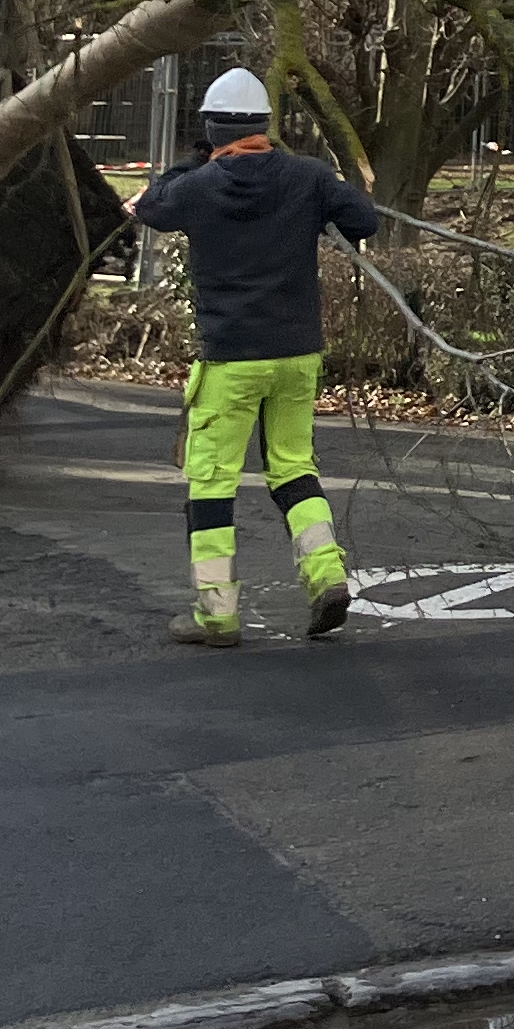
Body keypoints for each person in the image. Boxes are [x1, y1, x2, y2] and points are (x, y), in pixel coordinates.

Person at [130, 64, 383, 648]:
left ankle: (216, 615)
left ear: (211, 131)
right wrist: (316, 207)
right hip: (296, 354)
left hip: (230, 359)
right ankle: (327, 578)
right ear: (268, 124)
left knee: (211, 483)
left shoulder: (195, 188)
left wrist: (198, 161)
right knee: (294, 469)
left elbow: (152, 205)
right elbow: (363, 219)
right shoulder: (308, 176)